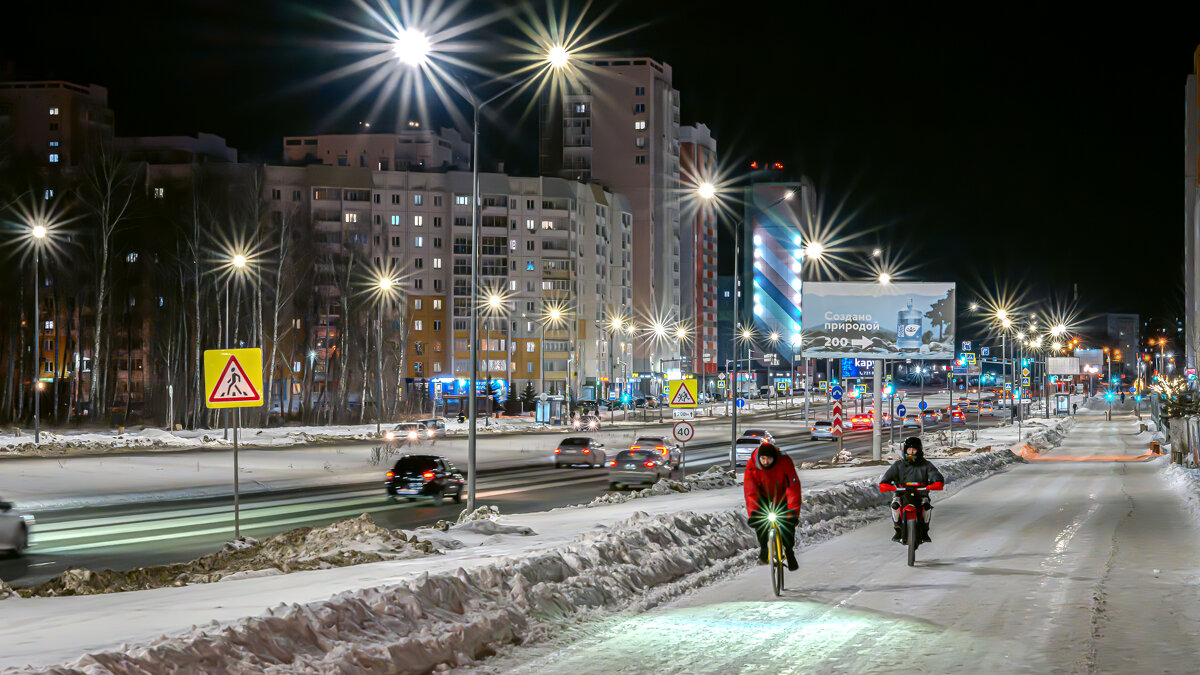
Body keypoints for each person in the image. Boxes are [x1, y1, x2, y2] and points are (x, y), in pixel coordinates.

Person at [744, 442, 802, 571]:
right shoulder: (752, 466)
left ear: (774, 457)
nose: (765, 462)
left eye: (769, 458)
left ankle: (789, 552)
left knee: (787, 523)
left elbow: (793, 487)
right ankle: (764, 549)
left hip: (781, 495)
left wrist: (793, 512)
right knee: (760, 520)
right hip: (762, 495)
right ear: (758, 457)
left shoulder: (785, 462)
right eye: (763, 458)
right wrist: (754, 512)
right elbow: (750, 490)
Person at [878, 437, 944, 543]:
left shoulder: (926, 465)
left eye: (914, 450)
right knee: (895, 505)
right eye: (909, 450)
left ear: (919, 450)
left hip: (921, 493)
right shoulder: (898, 465)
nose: (911, 452)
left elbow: (936, 477)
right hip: (901, 493)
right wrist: (887, 485)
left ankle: (925, 530)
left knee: (926, 506)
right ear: (905, 450)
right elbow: (885, 480)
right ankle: (898, 529)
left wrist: (936, 482)